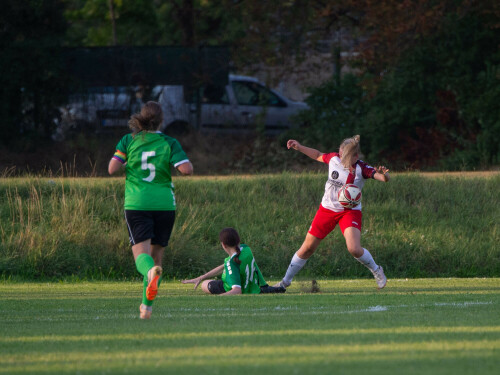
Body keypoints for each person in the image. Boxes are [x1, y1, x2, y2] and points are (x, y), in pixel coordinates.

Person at [108, 101, 193, 319]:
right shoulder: (169, 142)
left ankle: (148, 275)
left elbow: (112, 168)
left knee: (142, 257)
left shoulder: (129, 140)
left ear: (141, 118)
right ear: (161, 120)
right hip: (164, 204)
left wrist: (128, 164)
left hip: (137, 203)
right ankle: (146, 308)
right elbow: (187, 170)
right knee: (157, 259)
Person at [274, 135, 390, 290]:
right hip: (327, 209)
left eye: (346, 157)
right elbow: (317, 155)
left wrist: (384, 174)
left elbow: (382, 178)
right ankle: (284, 283)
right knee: (307, 248)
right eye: (341, 155)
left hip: (349, 212)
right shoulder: (334, 159)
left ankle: (377, 270)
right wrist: (299, 147)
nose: (342, 159)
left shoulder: (362, 168)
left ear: (356, 156)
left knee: (354, 248)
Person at [182, 228, 285, 295]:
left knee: (205, 285)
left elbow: (237, 291)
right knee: (205, 281)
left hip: (238, 288)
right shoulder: (246, 249)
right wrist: (200, 277)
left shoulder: (231, 263)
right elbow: (224, 266)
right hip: (253, 286)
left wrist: (219, 297)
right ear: (238, 241)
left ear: (223, 245)